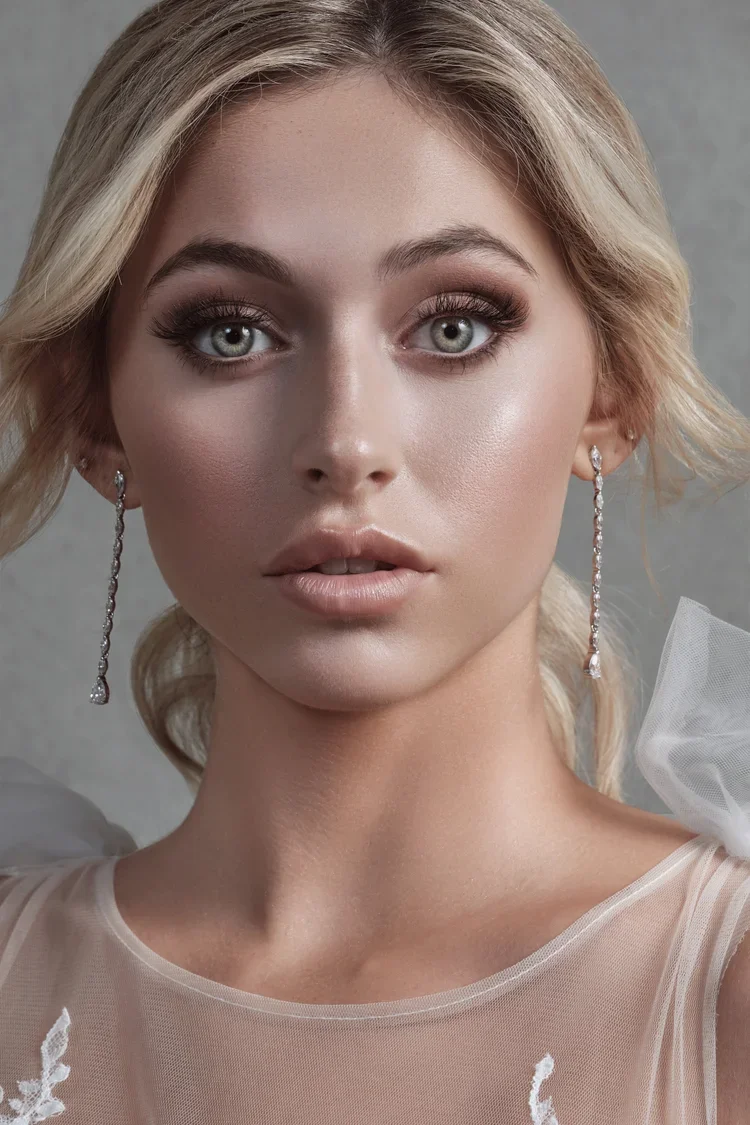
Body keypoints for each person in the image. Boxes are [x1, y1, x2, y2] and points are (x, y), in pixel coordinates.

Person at [0, 0, 748, 1120]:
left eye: (454, 326)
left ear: (613, 391)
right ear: (97, 418)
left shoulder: (725, 996)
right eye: (230, 332)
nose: (345, 443)